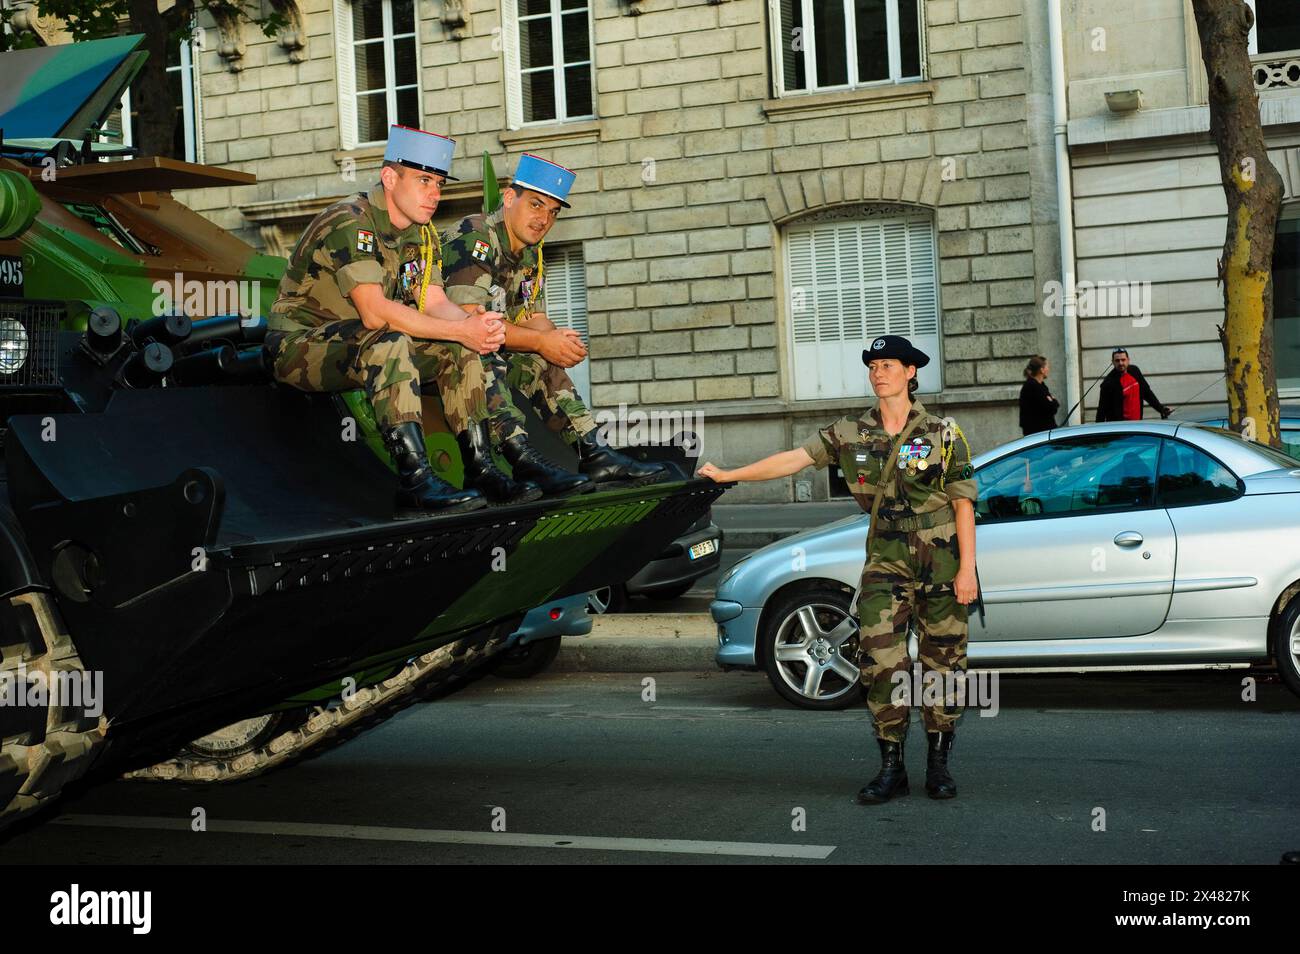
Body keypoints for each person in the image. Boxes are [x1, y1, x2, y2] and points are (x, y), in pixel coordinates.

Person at [699, 335, 978, 803]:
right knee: (880, 661)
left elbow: (964, 502)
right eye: (873, 365)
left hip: (942, 555)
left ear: (911, 372)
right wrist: (730, 474)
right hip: (886, 557)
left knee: (943, 661)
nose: (878, 371)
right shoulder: (849, 432)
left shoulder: (943, 431)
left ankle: (938, 763)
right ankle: (892, 768)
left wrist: (967, 569)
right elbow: (794, 459)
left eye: (889, 364)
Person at [266, 125, 549, 516]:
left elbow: (433, 303)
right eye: (424, 181)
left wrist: (476, 324)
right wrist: (458, 328)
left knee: (459, 346)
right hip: (300, 346)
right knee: (390, 339)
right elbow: (375, 311)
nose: (435, 193)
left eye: (439, 183)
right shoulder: (351, 221)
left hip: (359, 342)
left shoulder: (421, 234)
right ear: (389, 177)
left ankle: (481, 469)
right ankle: (416, 481)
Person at [441, 153, 665, 493]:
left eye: (553, 211)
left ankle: (594, 451)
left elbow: (532, 317)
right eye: (535, 205)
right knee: (484, 349)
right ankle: (521, 456)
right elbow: (469, 321)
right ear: (508, 198)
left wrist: (558, 341)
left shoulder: (530, 253)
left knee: (540, 355)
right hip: (441, 351)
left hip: (482, 347)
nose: (544, 219)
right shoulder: (475, 235)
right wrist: (541, 341)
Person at [1096, 348, 1171, 422]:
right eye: (1117, 360)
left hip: (1137, 426)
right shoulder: (1108, 384)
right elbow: (1101, 410)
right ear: (1113, 362)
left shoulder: (1135, 371)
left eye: (1123, 359)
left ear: (1128, 360)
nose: (1121, 363)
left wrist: (1161, 409)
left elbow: (1147, 393)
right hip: (1120, 429)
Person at [1018, 355, 1059, 435]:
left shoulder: (1040, 385)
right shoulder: (1032, 386)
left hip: (1043, 432)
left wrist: (1052, 402)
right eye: (1047, 367)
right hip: (1038, 434)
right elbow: (1051, 408)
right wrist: (1053, 401)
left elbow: (1052, 405)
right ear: (1042, 370)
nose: (1048, 369)